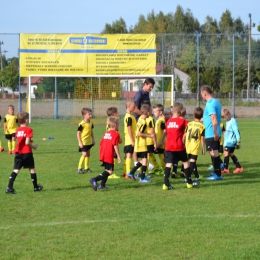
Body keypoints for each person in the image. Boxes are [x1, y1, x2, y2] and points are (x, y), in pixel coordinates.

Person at [163, 102, 199, 190]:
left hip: (169, 146)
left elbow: (167, 132)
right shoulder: (183, 121)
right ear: (181, 111)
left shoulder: (168, 121)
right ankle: (189, 183)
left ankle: (166, 184)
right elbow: (189, 130)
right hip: (179, 146)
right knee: (185, 162)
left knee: (169, 164)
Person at [5, 111, 43, 194]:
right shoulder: (29, 129)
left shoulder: (18, 130)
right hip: (26, 153)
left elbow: (18, 139)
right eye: (28, 119)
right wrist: (33, 146)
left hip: (18, 153)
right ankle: (36, 187)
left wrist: (28, 140)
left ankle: (9, 187)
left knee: (16, 170)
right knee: (32, 169)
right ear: (26, 120)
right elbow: (26, 143)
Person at [89, 116, 121, 191]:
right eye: (118, 124)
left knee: (106, 169)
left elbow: (101, 144)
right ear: (115, 125)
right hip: (108, 154)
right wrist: (118, 156)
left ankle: (102, 185)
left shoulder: (106, 133)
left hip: (103, 153)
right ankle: (95, 179)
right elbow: (115, 145)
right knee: (110, 171)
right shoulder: (116, 134)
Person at [127, 104, 154, 183]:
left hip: (138, 143)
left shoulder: (139, 119)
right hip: (141, 144)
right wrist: (150, 135)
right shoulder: (144, 122)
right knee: (144, 160)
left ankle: (132, 172)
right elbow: (139, 133)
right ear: (148, 113)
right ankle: (142, 178)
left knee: (143, 160)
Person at [200, 85, 223, 181]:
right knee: (213, 152)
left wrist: (214, 132)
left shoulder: (209, 103)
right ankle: (217, 170)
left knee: (214, 153)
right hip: (213, 131)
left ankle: (218, 174)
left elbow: (213, 117)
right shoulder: (216, 102)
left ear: (204, 94)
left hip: (211, 132)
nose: (202, 96)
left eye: (202, 95)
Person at [183, 107, 205, 181]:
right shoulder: (202, 126)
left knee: (192, 162)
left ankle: (197, 176)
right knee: (192, 162)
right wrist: (203, 148)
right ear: (202, 117)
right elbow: (202, 138)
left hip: (187, 145)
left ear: (193, 115)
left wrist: (183, 143)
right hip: (195, 146)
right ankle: (188, 177)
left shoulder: (189, 124)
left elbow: (184, 135)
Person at [221, 108, 243, 174]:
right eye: (223, 117)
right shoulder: (228, 121)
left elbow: (236, 131)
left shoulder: (233, 121)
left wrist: (238, 141)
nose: (224, 119)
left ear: (229, 114)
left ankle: (225, 169)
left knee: (226, 153)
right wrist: (223, 129)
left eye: (225, 117)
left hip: (231, 141)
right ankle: (239, 167)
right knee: (230, 154)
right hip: (228, 141)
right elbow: (226, 134)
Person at [76, 108, 95, 174]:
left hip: (88, 142)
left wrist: (93, 139)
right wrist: (80, 142)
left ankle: (86, 168)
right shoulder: (82, 123)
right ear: (84, 115)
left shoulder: (91, 122)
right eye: (89, 114)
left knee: (88, 154)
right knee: (84, 154)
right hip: (83, 142)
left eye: (91, 114)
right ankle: (79, 168)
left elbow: (91, 131)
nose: (91, 115)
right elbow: (78, 133)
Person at [106, 106, 121, 179]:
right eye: (117, 112)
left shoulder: (110, 123)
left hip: (111, 142)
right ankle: (110, 173)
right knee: (112, 158)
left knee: (112, 158)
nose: (118, 113)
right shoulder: (113, 125)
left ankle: (109, 172)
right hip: (112, 143)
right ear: (115, 114)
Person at [123, 99, 137, 179]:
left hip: (128, 139)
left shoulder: (130, 116)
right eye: (133, 106)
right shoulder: (129, 117)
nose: (135, 107)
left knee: (127, 155)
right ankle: (128, 173)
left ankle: (125, 172)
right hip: (129, 139)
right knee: (129, 155)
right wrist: (132, 140)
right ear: (128, 107)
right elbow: (129, 128)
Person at [152, 104, 166, 175]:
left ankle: (165, 170)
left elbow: (165, 131)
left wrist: (161, 141)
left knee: (162, 156)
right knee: (158, 155)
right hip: (157, 142)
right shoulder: (158, 120)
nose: (154, 113)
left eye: (155, 111)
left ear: (160, 112)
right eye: (153, 111)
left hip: (161, 142)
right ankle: (159, 168)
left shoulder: (162, 121)